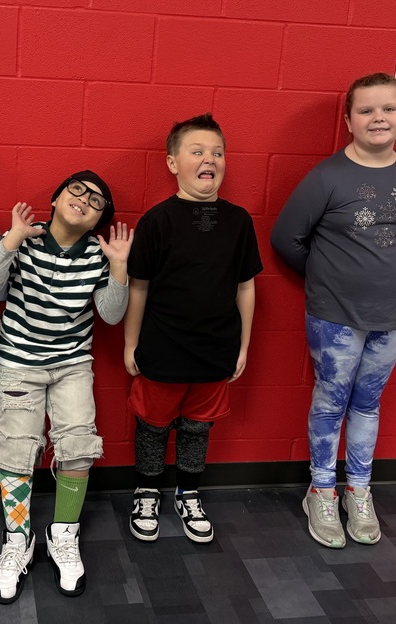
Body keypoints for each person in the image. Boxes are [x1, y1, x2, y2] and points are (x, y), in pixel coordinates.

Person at [270, 72, 396, 549]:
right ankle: (321, 490)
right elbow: (286, 238)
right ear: (349, 120)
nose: (378, 118)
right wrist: (328, 277)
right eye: (365, 110)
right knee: (331, 400)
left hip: (391, 317)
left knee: (367, 403)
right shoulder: (327, 177)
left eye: (388, 108)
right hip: (334, 317)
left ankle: (358, 490)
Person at [0, 171, 131, 603]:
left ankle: (63, 532)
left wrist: (118, 268)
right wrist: (11, 240)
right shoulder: (25, 238)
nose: (85, 199)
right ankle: (17, 539)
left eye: (97, 200)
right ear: (58, 196)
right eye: (77, 189)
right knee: (18, 446)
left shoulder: (99, 256)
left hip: (72, 365)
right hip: (19, 364)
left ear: (100, 219)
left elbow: (112, 316)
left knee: (78, 444)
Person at [124, 114, 261, 545]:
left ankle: (188, 491)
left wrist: (243, 345)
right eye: (197, 151)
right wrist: (131, 343)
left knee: (198, 426)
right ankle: (146, 491)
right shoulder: (157, 221)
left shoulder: (239, 221)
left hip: (216, 350)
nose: (210, 159)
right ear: (172, 163)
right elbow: (139, 287)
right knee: (153, 425)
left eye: (218, 153)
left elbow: (246, 285)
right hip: (162, 348)